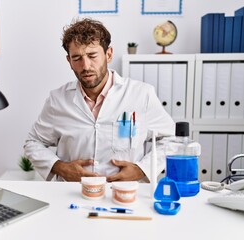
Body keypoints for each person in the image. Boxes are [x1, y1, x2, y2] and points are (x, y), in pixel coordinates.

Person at [24, 18, 175, 182]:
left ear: (108, 54)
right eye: (77, 58)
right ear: (69, 61)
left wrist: (142, 169)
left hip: (124, 195)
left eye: (92, 55)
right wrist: (61, 168)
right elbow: (33, 142)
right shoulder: (57, 100)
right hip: (71, 194)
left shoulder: (141, 94)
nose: (86, 66)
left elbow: (171, 139)